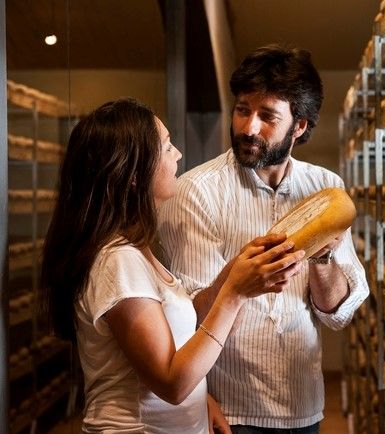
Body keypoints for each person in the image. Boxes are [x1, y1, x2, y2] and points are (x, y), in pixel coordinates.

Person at [40, 98, 306, 433]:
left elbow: (178, 335)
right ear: (134, 174)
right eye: (166, 147)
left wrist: (233, 273)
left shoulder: (134, 250)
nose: (178, 154)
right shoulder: (117, 261)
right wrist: (235, 293)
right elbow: (171, 384)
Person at [157, 44, 369, 433]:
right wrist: (238, 279)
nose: (248, 127)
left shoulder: (327, 188)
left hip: (303, 404)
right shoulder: (196, 192)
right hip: (227, 410)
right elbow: (187, 320)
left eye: (267, 116)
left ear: (299, 126)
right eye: (242, 110)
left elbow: (339, 313)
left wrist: (322, 258)